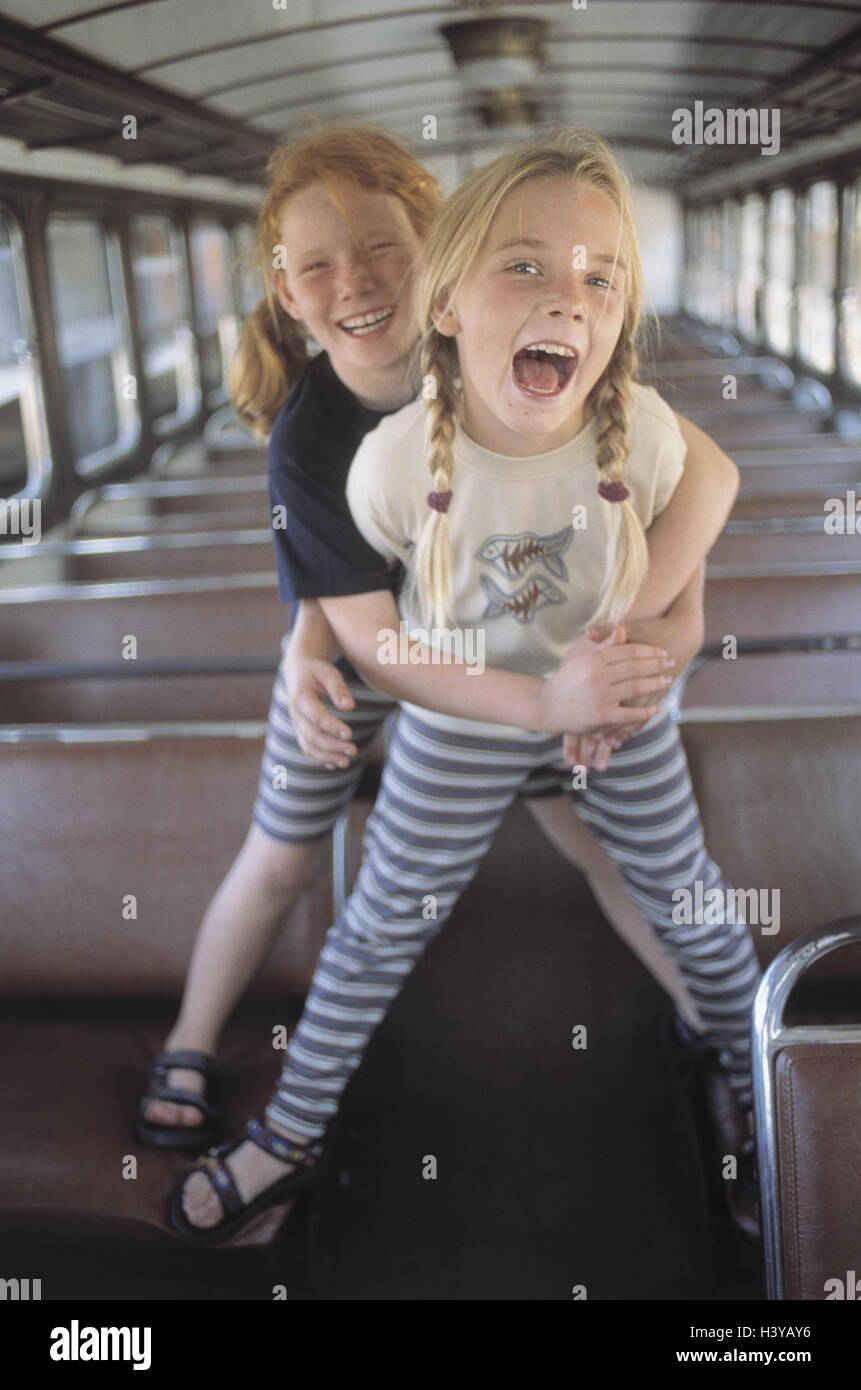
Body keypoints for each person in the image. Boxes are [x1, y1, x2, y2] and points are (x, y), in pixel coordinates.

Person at [165, 128, 761, 1247]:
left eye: (599, 277)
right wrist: (539, 703)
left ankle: (757, 1085)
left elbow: (712, 483)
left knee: (687, 895)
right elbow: (381, 637)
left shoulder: (630, 423)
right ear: (451, 301)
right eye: (524, 267)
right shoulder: (384, 458)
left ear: (621, 314)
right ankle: (291, 1134)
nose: (565, 302)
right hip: (458, 709)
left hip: (618, 709)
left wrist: (633, 648)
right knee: (381, 919)